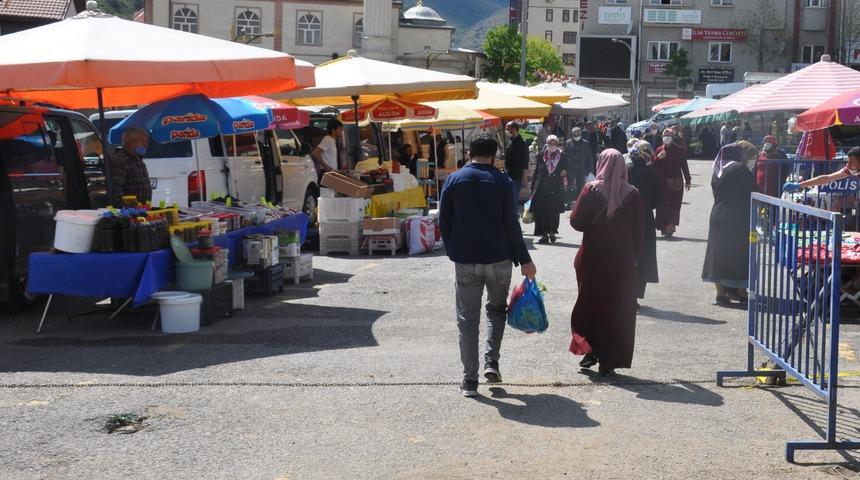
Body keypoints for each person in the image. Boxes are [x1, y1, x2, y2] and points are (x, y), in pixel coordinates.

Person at [439, 133, 537, 398]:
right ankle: (491, 363)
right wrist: (525, 259)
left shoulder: (454, 179)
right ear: (494, 155)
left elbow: (443, 220)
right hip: (499, 258)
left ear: (470, 152)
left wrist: (453, 249)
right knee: (496, 310)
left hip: (466, 259)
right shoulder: (502, 181)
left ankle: (469, 380)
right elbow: (511, 223)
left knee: (467, 320)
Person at [569, 149, 644, 376]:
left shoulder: (590, 190)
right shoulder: (634, 194)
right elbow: (639, 233)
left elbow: (576, 222)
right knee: (616, 308)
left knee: (590, 304)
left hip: (592, 258)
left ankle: (590, 348)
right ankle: (609, 358)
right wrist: (633, 259)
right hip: (621, 261)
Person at [702, 141, 760, 305]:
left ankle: (721, 294)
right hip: (737, 216)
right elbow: (753, 190)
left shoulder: (719, 169)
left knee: (718, 254)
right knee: (739, 253)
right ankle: (741, 292)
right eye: (752, 158)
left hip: (718, 214)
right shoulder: (740, 168)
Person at [627, 141, 663, 303]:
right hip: (645, 217)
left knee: (626, 254)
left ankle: (623, 294)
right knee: (643, 254)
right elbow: (659, 199)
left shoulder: (624, 170)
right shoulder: (652, 172)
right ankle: (634, 296)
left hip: (625, 218)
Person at [531, 135, 569, 244]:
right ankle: (544, 234)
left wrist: (565, 172)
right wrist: (533, 186)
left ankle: (552, 231)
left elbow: (567, 169)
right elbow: (537, 171)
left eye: (554, 143)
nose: (552, 145)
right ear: (547, 143)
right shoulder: (541, 155)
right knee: (541, 211)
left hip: (555, 187)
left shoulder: (562, 155)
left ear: (557, 144)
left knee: (553, 211)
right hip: (542, 187)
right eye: (550, 142)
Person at [653, 128, 691, 238]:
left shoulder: (679, 150)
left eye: (668, 135)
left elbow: (684, 165)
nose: (666, 137)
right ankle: (664, 227)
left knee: (674, 205)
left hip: (675, 183)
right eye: (664, 135)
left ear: (672, 136)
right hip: (662, 184)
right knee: (662, 206)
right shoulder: (659, 150)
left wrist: (688, 180)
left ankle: (671, 225)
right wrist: (658, 158)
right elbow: (653, 167)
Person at [784, 146, 860, 193]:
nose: (848, 165)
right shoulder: (850, 169)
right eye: (848, 162)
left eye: (851, 162)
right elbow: (827, 178)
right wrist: (799, 185)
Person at [108, 127, 152, 207]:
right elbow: (116, 188)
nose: (146, 145)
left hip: (142, 210)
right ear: (132, 142)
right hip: (130, 212)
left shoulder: (138, 160)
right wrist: (125, 208)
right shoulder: (121, 161)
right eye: (143, 141)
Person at [564, 126, 594, 202]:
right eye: (575, 135)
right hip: (571, 169)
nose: (577, 137)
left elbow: (589, 157)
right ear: (572, 134)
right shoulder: (568, 143)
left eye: (578, 135)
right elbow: (565, 156)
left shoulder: (585, 143)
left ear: (581, 134)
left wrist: (590, 170)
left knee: (581, 186)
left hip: (582, 169)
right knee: (570, 186)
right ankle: (571, 200)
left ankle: (580, 201)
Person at [504, 121, 529, 203]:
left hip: (517, 176)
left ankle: (513, 214)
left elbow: (525, 161)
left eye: (508, 129)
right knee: (509, 198)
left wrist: (524, 178)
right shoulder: (511, 140)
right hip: (509, 174)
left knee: (513, 198)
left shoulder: (521, 143)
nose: (506, 131)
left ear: (514, 129)